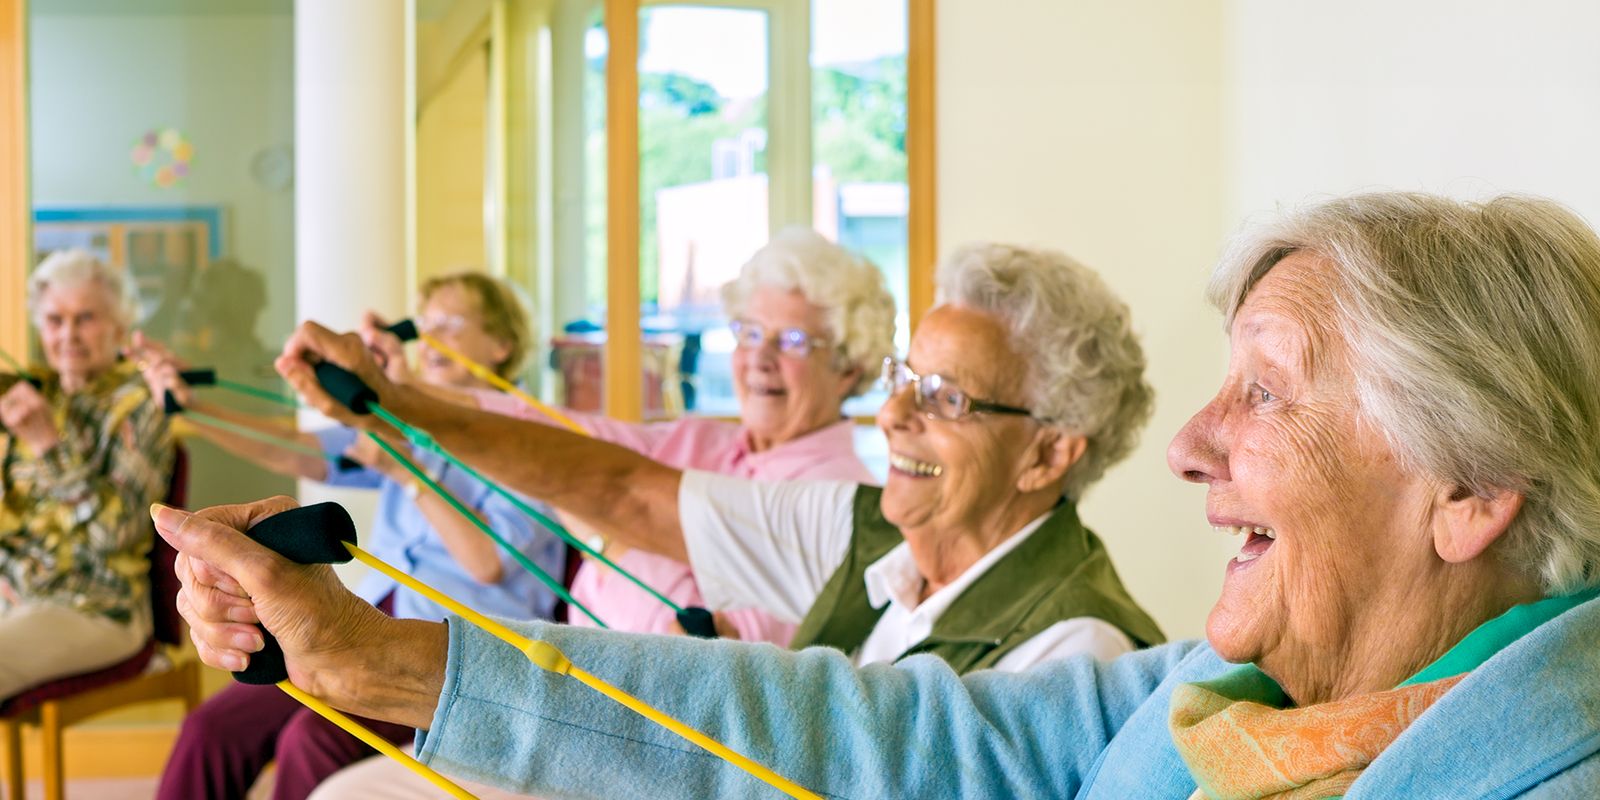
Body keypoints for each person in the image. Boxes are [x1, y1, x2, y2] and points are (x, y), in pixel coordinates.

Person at [163, 192, 1600, 797]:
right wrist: (388, 655)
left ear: (1467, 487)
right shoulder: (1220, 700)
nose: (1193, 447)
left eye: (1268, 392)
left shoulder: (1088, 640)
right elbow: (864, 732)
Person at [310, 229, 896, 798]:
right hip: (560, 712)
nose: (759, 359)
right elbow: (562, 438)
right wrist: (403, 392)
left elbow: (722, 664)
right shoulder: (703, 443)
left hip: (644, 755)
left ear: (849, 365)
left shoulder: (840, 495)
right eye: (748, 333)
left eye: (791, 341)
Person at [140, 272, 567, 800]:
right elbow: (291, 449)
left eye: (450, 324)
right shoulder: (410, 422)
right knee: (215, 728)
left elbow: (486, 563)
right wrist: (193, 410)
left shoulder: (532, 439)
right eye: (425, 323)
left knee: (312, 742)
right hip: (363, 619)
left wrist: (409, 473)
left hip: (459, 650)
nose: (430, 337)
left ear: (503, 343)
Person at [0, 250, 173, 698]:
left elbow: (115, 534)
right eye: (55, 320)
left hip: (97, 607)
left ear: (119, 327)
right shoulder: (34, 395)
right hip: (16, 597)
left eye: (86, 318)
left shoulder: (139, 409)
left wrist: (49, 449)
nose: (68, 335)